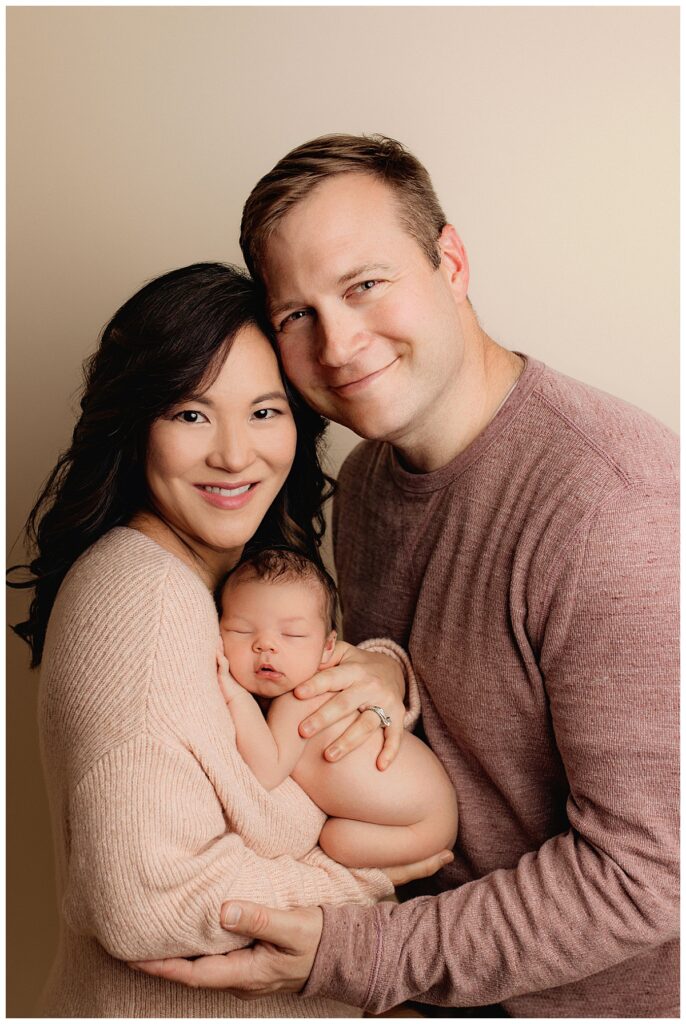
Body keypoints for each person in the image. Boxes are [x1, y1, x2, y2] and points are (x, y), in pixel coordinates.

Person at [135, 136, 679, 1017]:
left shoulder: (614, 506)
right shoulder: (364, 484)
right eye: (297, 315)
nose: (340, 343)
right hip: (416, 987)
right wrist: (391, 666)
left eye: (364, 285)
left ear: (451, 261)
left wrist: (360, 953)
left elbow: (650, 874)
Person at [9, 261, 450, 1018]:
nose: (234, 455)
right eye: (190, 414)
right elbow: (144, 900)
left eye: (265, 411)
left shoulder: (231, 583)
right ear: (135, 424)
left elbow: (290, 759)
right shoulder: (142, 598)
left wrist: (381, 673)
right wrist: (371, 885)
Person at [219, 547, 458, 867]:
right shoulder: (320, 685)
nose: (265, 645)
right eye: (241, 630)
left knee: (335, 840)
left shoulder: (300, 697)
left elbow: (266, 771)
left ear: (328, 648)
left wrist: (234, 694)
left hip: (423, 824)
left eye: (293, 634)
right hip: (434, 802)